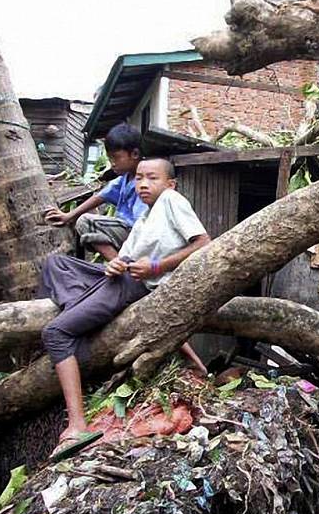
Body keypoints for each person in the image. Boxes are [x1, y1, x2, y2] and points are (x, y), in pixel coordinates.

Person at [40, 157, 210, 461]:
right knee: (56, 264)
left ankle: (77, 424)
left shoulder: (172, 200)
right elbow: (126, 258)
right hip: (125, 277)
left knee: (55, 332)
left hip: (138, 285)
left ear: (169, 183)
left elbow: (202, 243)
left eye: (152, 178)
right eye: (139, 178)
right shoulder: (145, 217)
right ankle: (82, 310)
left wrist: (157, 266)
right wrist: (117, 263)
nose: (143, 183)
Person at [44, 123, 148, 260]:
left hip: (139, 234)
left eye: (115, 157)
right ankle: (120, 263)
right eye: (110, 158)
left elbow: (142, 224)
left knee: (85, 222)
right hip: (127, 232)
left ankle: (120, 266)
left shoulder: (145, 180)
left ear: (134, 154)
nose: (112, 163)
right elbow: (101, 196)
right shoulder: (125, 178)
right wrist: (69, 216)